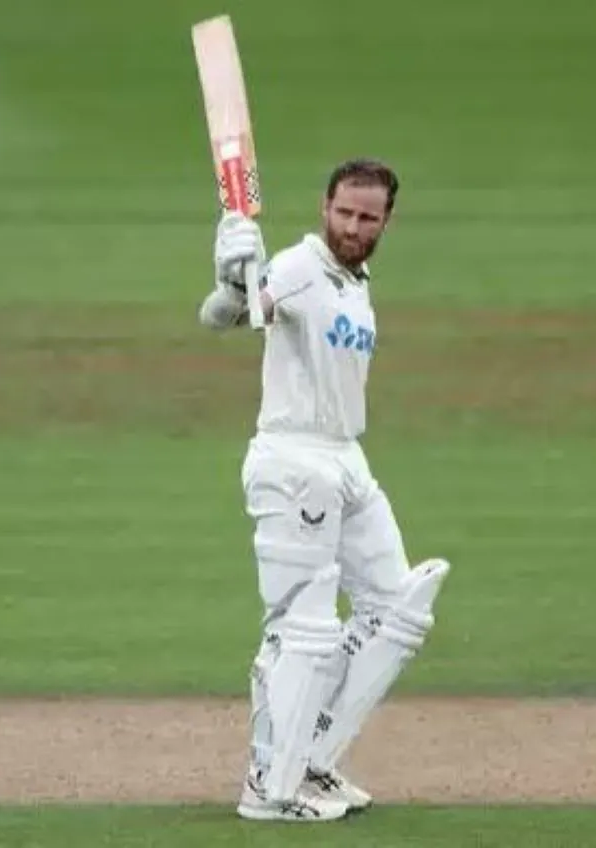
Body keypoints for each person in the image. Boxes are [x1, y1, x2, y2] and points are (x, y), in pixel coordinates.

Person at [197, 158, 451, 823]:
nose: (353, 227)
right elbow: (236, 316)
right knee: (305, 630)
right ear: (324, 207)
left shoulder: (356, 282)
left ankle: (311, 760)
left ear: (386, 223)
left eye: (368, 218)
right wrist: (232, 281)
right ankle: (268, 785)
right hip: (293, 458)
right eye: (344, 212)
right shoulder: (302, 266)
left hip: (346, 458)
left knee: (397, 607)